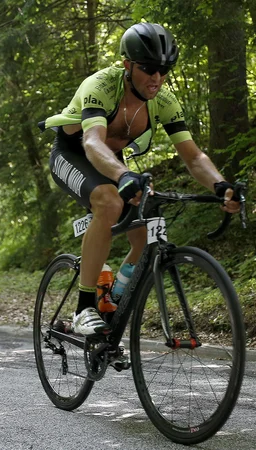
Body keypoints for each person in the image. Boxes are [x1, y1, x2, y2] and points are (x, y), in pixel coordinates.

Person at [39, 23, 240, 337]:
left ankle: (114, 299)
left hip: (110, 160)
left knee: (147, 228)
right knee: (108, 200)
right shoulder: (102, 85)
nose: (156, 78)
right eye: (148, 69)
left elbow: (193, 156)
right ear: (127, 65)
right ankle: (84, 307)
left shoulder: (164, 100)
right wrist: (122, 175)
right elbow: (92, 142)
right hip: (73, 152)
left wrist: (221, 185)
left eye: (164, 70)